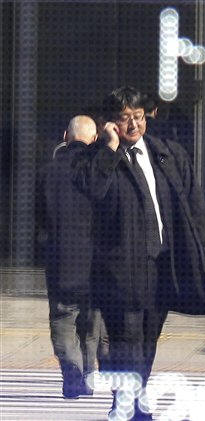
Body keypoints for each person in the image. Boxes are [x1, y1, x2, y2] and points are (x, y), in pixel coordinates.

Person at [75, 86, 205, 420]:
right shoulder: (96, 158)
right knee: (125, 339)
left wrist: (202, 251)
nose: (133, 125)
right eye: (125, 119)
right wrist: (110, 148)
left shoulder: (166, 153)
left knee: (149, 338)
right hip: (119, 268)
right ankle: (128, 403)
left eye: (138, 117)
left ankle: (132, 399)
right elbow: (91, 191)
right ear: (110, 123)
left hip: (161, 264)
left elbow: (194, 205)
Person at [41, 115, 107, 399]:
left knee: (63, 319)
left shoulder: (47, 172)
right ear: (94, 139)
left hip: (60, 259)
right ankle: (88, 376)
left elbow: (40, 217)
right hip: (95, 262)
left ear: (65, 136)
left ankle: (72, 372)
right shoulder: (97, 173)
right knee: (92, 324)